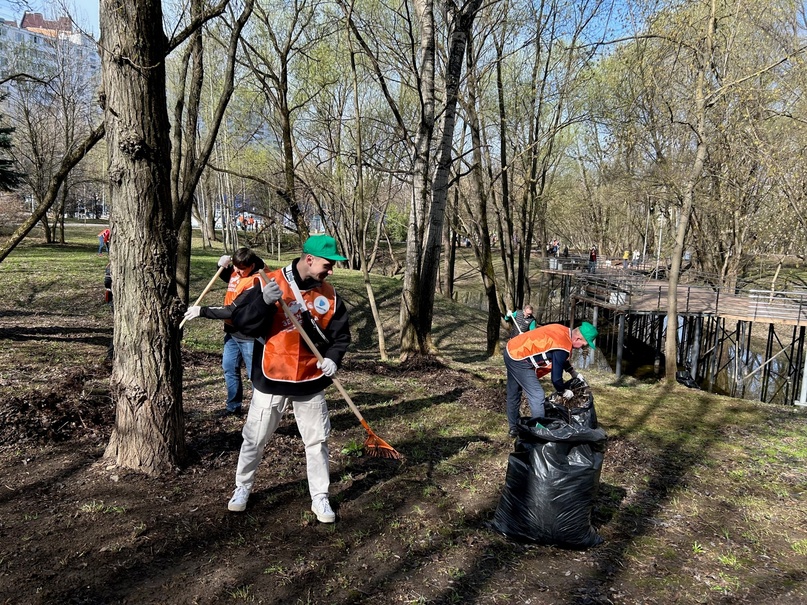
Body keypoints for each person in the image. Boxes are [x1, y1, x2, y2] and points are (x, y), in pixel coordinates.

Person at [226, 234, 351, 523]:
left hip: (311, 378)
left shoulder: (330, 296)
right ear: (309, 259)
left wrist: (333, 357)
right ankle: (242, 487)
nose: (331, 270)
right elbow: (241, 324)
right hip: (271, 376)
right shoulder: (267, 282)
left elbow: (340, 336)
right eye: (327, 264)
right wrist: (264, 304)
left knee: (317, 440)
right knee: (254, 438)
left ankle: (320, 497)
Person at [183, 248, 266, 416]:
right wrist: (220, 266)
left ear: (252, 265)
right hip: (232, 333)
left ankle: (260, 412)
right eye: (235, 267)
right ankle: (233, 407)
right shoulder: (238, 271)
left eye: (241, 268)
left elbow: (231, 311)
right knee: (229, 368)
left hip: (249, 336)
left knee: (254, 375)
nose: (237, 271)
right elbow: (229, 278)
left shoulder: (256, 282)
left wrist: (202, 311)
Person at [503, 322, 598, 438]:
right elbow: (556, 379)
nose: (583, 347)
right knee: (537, 395)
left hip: (512, 348)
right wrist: (563, 391)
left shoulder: (563, 331)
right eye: (584, 344)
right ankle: (539, 433)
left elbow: (558, 356)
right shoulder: (563, 345)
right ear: (578, 338)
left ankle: (514, 429)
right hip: (519, 359)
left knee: (514, 393)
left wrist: (572, 372)